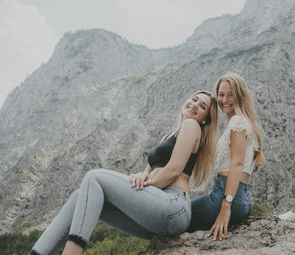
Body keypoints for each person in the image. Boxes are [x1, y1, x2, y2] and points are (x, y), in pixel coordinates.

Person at [29, 91, 218, 255]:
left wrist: (146, 184)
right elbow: (148, 172)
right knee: (82, 197)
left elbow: (174, 170)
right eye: (193, 100)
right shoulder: (169, 136)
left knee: (93, 177)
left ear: (205, 119)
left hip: (173, 205)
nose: (194, 105)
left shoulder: (192, 126)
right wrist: (141, 176)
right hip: (158, 211)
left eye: (201, 106)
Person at [191, 73, 264, 240]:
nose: (224, 100)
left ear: (240, 95)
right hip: (244, 200)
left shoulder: (237, 122)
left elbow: (237, 164)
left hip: (227, 195)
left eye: (231, 95)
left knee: (179, 212)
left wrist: (226, 206)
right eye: (221, 94)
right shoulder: (246, 122)